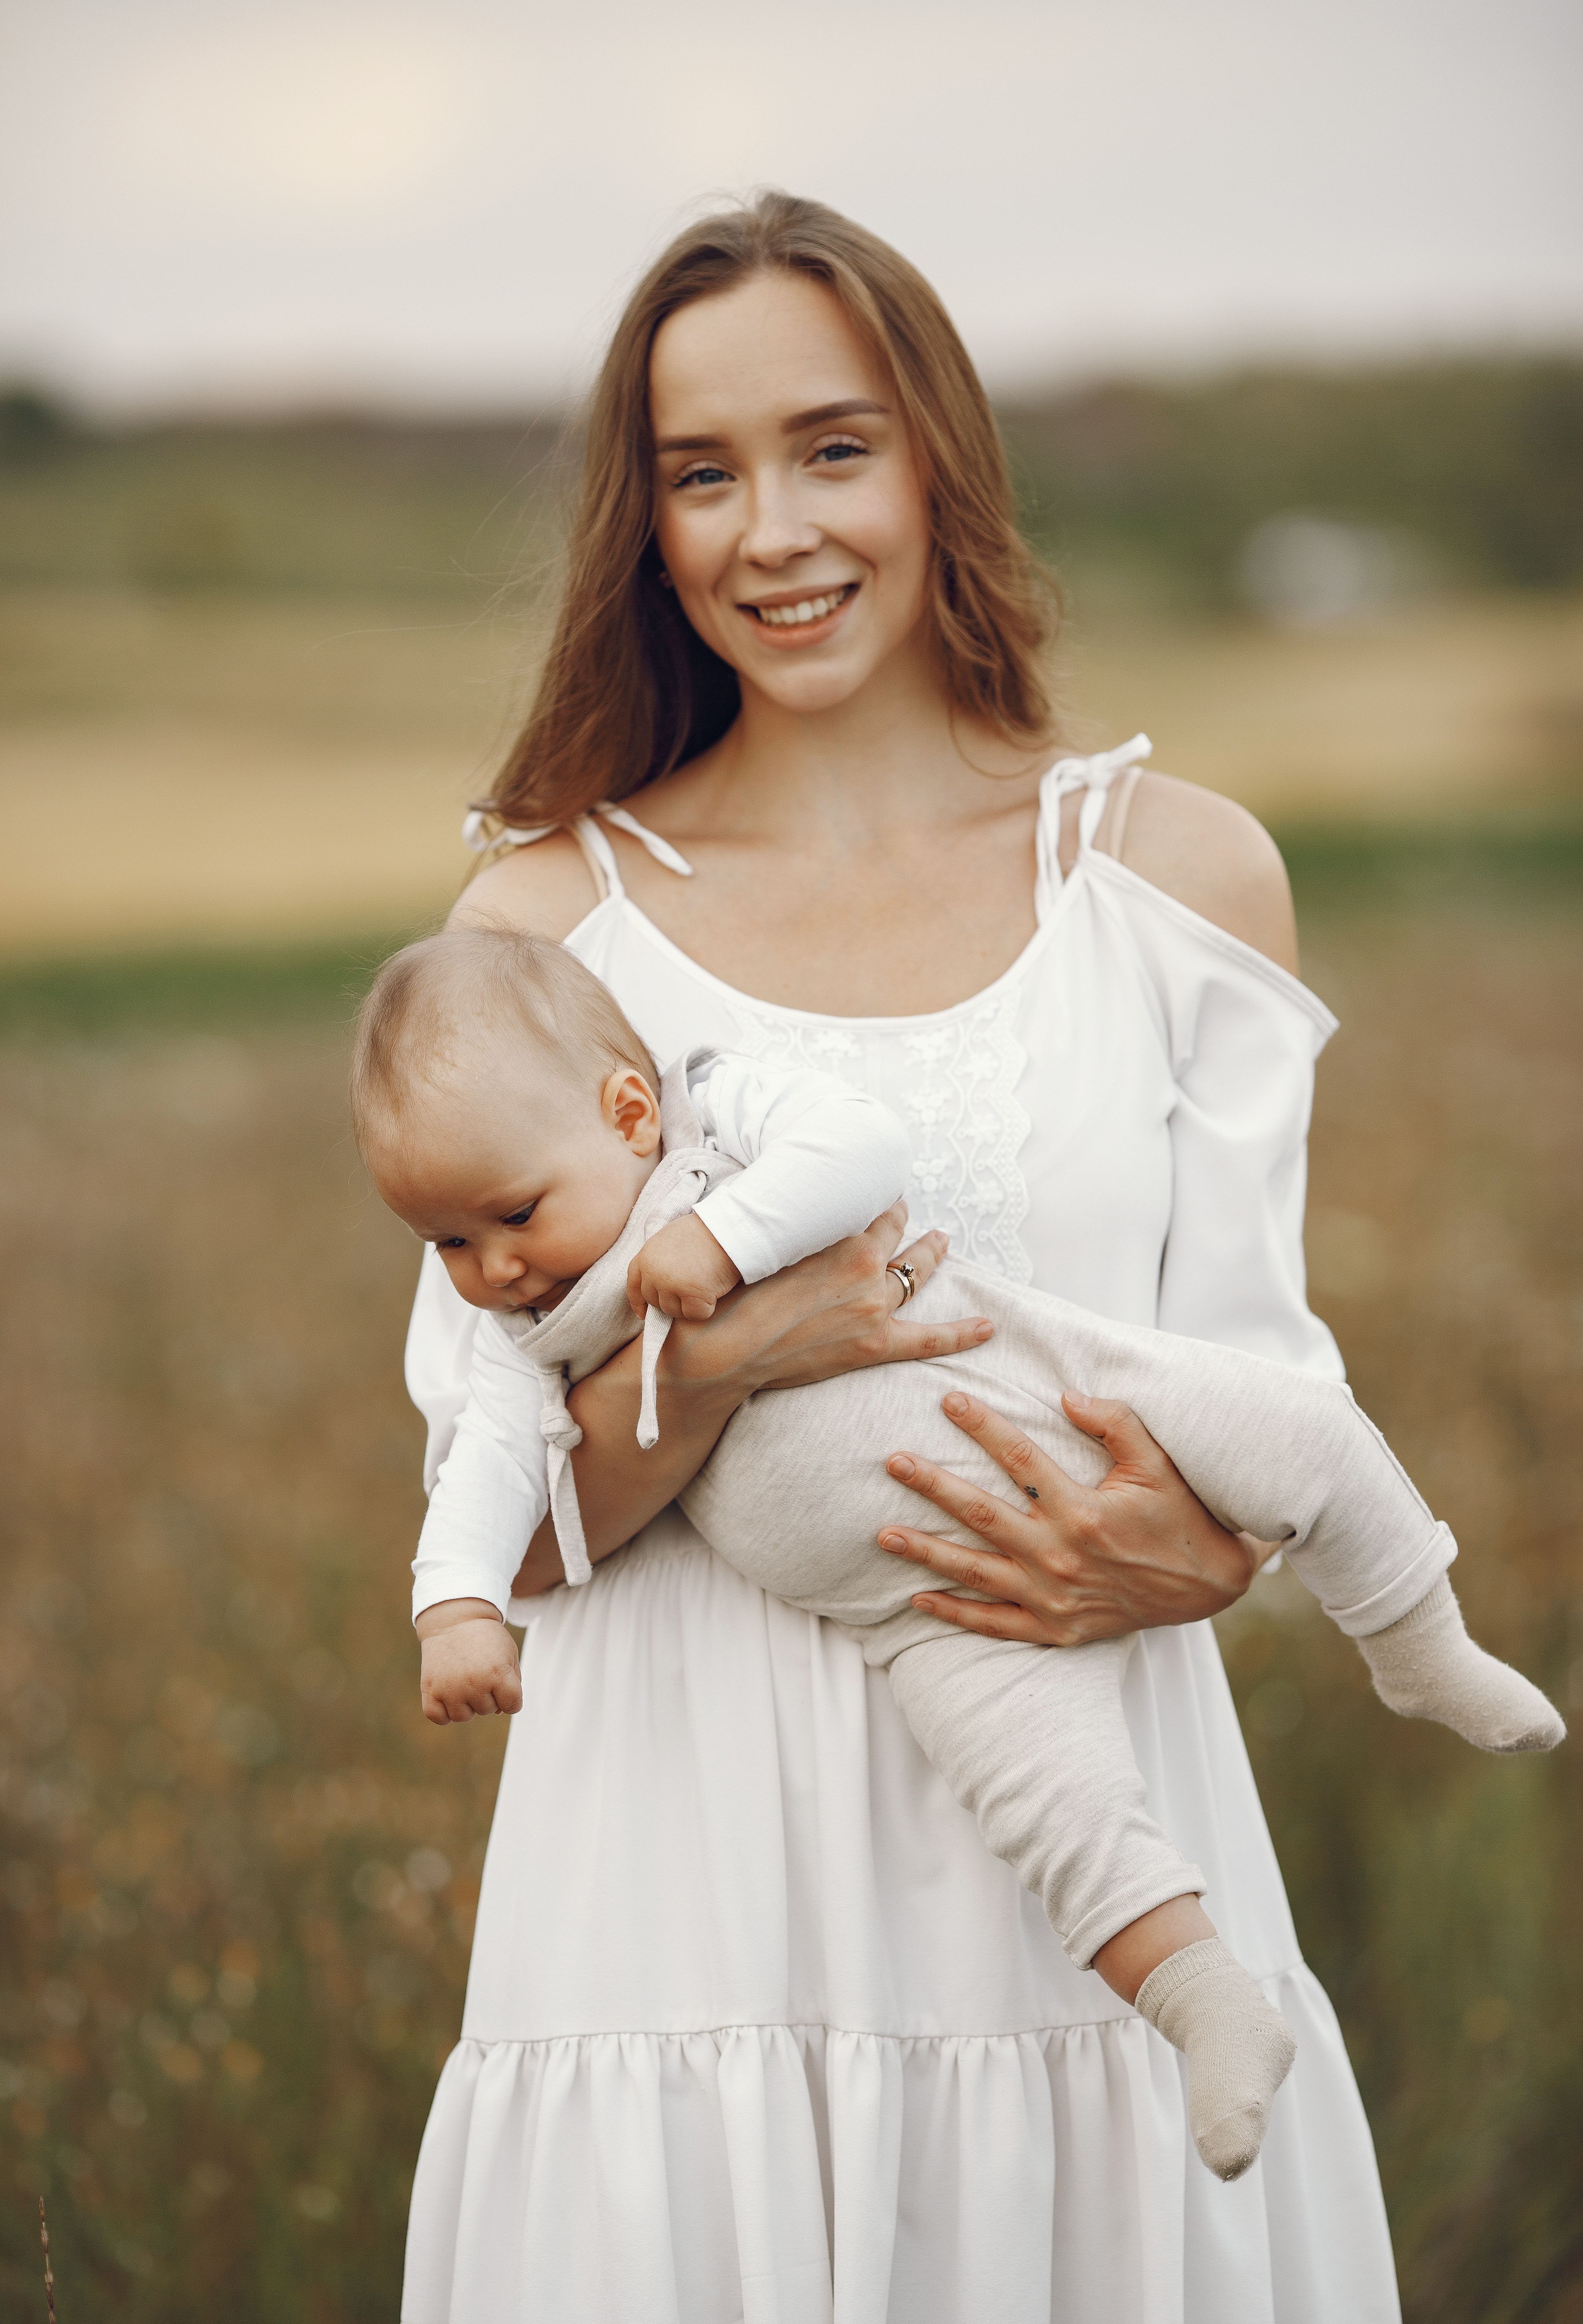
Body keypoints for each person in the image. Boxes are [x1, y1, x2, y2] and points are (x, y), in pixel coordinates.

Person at [400, 190, 1407, 2318]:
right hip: (676, 1907)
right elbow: (519, 1526)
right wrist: (758, 1344)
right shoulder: (541, 926)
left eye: (833, 447)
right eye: (703, 472)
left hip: (1094, 1894)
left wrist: (1203, 1556)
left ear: (939, 454)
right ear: (646, 519)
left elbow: (1264, 1425)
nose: (773, 528)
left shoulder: (1177, 881)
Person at [358, 925, 1559, 2187]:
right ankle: (1208, 2003)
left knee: (1301, 1433)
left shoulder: (717, 1116)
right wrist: (457, 1612)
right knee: (1055, 1801)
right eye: (442, 1243)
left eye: (509, 1217)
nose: (489, 1269)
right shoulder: (524, 1333)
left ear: (627, 1111)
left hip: (1049, 1386)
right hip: (916, 1595)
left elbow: (859, 1150)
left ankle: (1417, 1641)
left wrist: (719, 1248)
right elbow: (489, 1481)